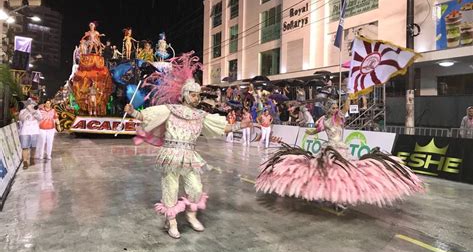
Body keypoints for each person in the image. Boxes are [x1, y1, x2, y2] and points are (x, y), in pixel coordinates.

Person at [128, 52, 237, 239]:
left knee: (195, 187)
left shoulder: (201, 115)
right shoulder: (170, 109)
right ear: (185, 95)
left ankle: (191, 215)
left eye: (198, 95)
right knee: (170, 187)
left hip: (190, 157)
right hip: (171, 154)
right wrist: (134, 112)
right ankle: (171, 221)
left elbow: (221, 126)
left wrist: (242, 125)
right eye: (193, 94)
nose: (196, 98)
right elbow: (149, 115)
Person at [256, 99, 424, 209]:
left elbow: (344, 108)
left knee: (343, 173)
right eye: (334, 107)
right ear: (329, 109)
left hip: (340, 147)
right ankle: (327, 195)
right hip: (329, 148)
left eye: (337, 107)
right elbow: (317, 129)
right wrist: (310, 133)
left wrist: (350, 97)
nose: (336, 109)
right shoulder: (325, 121)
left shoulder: (339, 118)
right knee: (328, 174)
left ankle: (340, 198)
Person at [19, 98, 42, 169]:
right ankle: (25, 162)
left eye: (32, 103)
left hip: (34, 131)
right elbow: (21, 119)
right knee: (24, 147)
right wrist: (27, 110)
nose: (31, 105)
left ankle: (32, 159)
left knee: (33, 147)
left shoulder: (37, 111)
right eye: (29, 104)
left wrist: (33, 112)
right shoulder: (23, 111)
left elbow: (40, 118)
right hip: (25, 131)